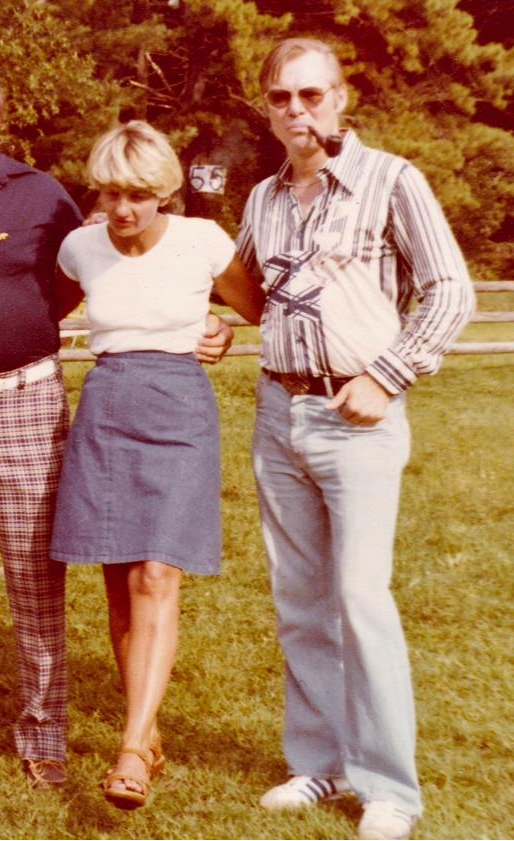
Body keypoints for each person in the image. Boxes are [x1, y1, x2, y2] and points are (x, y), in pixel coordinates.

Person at [0, 50, 233, 789]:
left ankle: (44, 732)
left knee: (35, 575)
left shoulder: (44, 196)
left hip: (26, 400)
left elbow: (88, 277)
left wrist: (207, 328)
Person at [236, 38, 475, 840]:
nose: (297, 112)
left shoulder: (391, 180)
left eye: (312, 95)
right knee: (300, 600)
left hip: (358, 420)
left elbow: (450, 291)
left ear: (341, 97)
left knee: (362, 598)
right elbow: (251, 291)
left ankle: (388, 788)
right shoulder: (263, 199)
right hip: (280, 414)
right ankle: (320, 762)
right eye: (281, 98)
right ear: (266, 107)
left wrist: (388, 374)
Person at [48, 121, 263, 809]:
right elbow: (37, 308)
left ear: (165, 191)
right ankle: (148, 726)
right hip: (108, 404)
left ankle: (132, 748)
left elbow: (254, 305)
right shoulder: (79, 247)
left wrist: (224, 326)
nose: (124, 209)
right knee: (120, 582)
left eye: (139, 194)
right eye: (112, 192)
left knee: (157, 570)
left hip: (178, 409)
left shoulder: (202, 240)